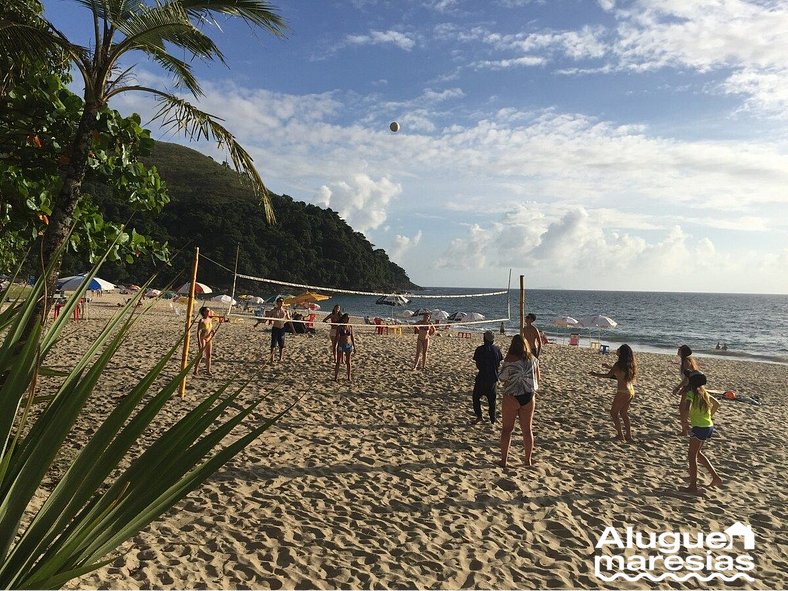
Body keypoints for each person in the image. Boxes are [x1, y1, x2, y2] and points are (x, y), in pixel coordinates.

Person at [498, 335, 539, 467]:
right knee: (527, 430)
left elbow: (502, 378)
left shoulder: (510, 359)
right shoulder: (533, 359)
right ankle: (528, 459)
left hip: (512, 395)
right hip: (528, 395)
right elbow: (538, 378)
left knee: (507, 430)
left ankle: (504, 460)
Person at [678, 371, 722, 495]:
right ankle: (715, 477)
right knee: (698, 454)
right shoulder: (705, 393)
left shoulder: (691, 393)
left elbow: (686, 408)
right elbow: (717, 404)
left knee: (692, 456)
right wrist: (708, 416)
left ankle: (693, 486)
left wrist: (684, 422)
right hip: (708, 426)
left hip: (699, 428)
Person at [589, 344, 636, 442]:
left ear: (621, 353)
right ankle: (629, 436)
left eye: (618, 349)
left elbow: (608, 375)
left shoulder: (618, 364)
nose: (617, 350)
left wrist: (595, 374)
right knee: (623, 413)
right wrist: (608, 367)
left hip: (622, 392)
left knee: (613, 413)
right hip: (630, 391)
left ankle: (620, 435)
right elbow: (619, 373)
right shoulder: (630, 364)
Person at [471, 331, 503, 425]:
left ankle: (479, 417)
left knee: (476, 397)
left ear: (484, 339)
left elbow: (478, 364)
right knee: (492, 400)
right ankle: (492, 419)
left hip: (482, 377)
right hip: (493, 378)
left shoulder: (480, 349)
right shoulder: (497, 349)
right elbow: (499, 363)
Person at [673, 345, 699, 436]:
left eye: (679, 349)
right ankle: (685, 429)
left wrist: (678, 387)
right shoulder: (686, 360)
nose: (678, 351)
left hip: (689, 387)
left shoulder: (686, 362)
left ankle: (685, 430)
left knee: (683, 409)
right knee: (683, 408)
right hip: (688, 387)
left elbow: (687, 378)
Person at [194, 306, 217, 376]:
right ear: (203, 312)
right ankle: (195, 370)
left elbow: (210, 328)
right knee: (201, 355)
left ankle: (208, 371)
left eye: (209, 310)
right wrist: (199, 342)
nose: (208, 312)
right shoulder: (202, 320)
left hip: (209, 338)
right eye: (207, 311)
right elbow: (198, 332)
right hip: (202, 338)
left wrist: (213, 331)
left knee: (209, 355)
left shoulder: (210, 319)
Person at [268, 297, 291, 363]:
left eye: (282, 302)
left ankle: (281, 358)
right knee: (273, 344)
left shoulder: (286, 311)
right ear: (277, 303)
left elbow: (289, 320)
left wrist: (293, 330)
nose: (281, 303)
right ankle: (272, 359)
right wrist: (257, 323)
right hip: (275, 328)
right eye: (280, 301)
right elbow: (267, 317)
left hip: (282, 329)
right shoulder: (274, 310)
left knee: (282, 345)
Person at [334, 313, 356, 381]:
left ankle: (349, 377)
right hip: (341, 344)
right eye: (347, 318)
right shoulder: (340, 327)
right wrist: (334, 346)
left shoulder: (350, 326)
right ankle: (336, 377)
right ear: (344, 319)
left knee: (348, 362)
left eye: (349, 318)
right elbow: (337, 337)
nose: (349, 319)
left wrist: (354, 347)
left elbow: (352, 337)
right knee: (338, 362)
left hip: (349, 345)